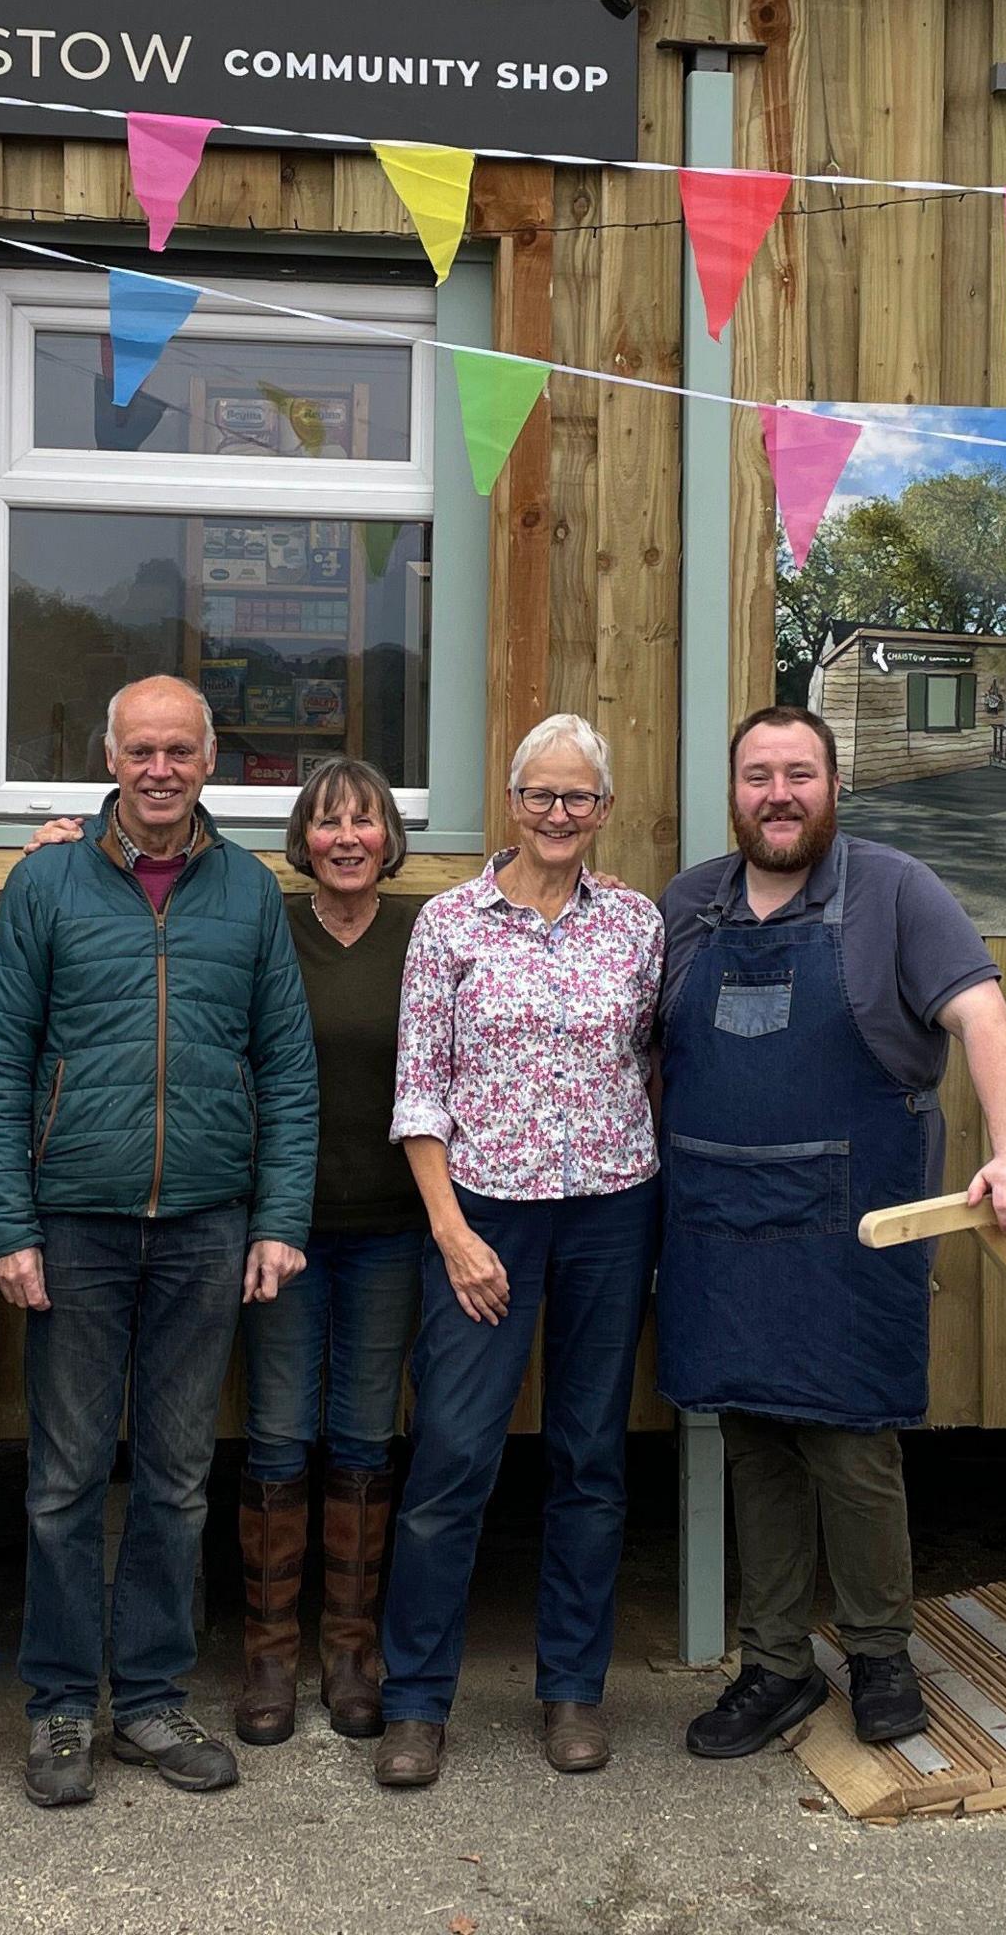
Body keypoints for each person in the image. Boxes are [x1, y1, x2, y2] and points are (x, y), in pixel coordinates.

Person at [659, 706, 1006, 1760]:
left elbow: (984, 1016)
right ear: (733, 790)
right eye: (757, 775)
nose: (777, 794)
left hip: (848, 1227)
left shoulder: (894, 891)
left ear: (834, 788)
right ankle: (776, 1666)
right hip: (717, 1223)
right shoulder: (690, 904)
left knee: (849, 1441)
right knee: (751, 1438)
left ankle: (880, 1651)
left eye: (798, 774)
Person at [0, 674, 320, 1808]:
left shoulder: (250, 891)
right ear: (110, 758)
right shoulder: (48, 883)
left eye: (179, 750)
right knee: (65, 1479)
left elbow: (288, 1068)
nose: (159, 769)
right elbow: (1, 1069)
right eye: (141, 750)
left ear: (209, 761)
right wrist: (6, 1227)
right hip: (73, 1221)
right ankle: (63, 1707)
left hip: (210, 1224)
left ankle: (155, 1701)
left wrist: (278, 1216)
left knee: (174, 1481)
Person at [369, 716, 665, 1787]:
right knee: (452, 1457)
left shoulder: (636, 924)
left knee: (590, 1461)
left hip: (611, 1215)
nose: (556, 815)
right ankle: (415, 1703)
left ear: (604, 810)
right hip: (482, 1216)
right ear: (511, 801)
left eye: (577, 798)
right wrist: (453, 1234)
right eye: (539, 795)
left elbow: (649, 1064)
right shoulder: (449, 925)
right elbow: (419, 1088)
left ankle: (574, 1691)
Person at [237, 759, 429, 1744]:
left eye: (365, 820)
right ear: (303, 838)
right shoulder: (272, 927)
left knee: (361, 1436)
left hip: (393, 1227)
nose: (346, 837)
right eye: (326, 822)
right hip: (286, 1230)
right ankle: (269, 1655)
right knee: (277, 1434)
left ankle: (353, 1650)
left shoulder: (426, 931)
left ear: (390, 837)